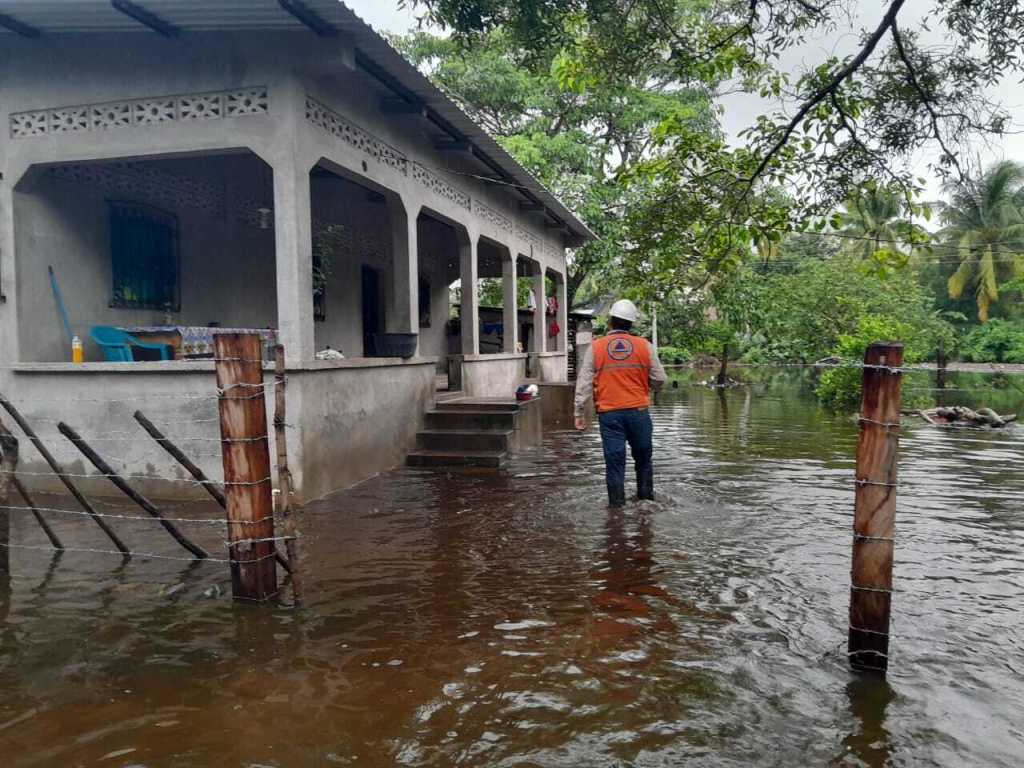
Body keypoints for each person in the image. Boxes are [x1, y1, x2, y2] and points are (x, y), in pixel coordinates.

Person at [574, 299, 667, 506]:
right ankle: (646, 504)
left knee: (614, 463)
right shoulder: (645, 346)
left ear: (610, 322)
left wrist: (578, 413)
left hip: (610, 415)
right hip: (639, 412)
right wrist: (650, 387)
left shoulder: (596, 347)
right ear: (632, 324)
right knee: (643, 461)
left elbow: (584, 383)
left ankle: (616, 511)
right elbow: (660, 378)